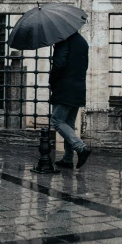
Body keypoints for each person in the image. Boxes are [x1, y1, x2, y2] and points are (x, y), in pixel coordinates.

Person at [49, 30, 91, 170]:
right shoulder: (82, 42)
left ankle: (81, 148)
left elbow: (59, 65)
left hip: (65, 88)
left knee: (57, 121)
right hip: (79, 87)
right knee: (69, 124)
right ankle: (67, 159)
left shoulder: (63, 41)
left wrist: (52, 81)